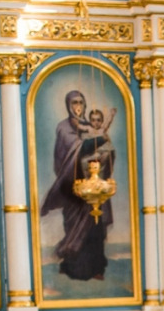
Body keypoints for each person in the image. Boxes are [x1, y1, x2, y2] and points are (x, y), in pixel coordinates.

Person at [39, 90, 116, 282]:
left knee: (95, 229)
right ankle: (73, 267)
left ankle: (96, 268)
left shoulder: (91, 126)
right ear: (68, 105)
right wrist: (97, 141)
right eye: (74, 103)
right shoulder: (63, 128)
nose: (78, 107)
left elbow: (105, 150)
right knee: (73, 227)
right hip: (73, 189)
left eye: (81, 102)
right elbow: (70, 153)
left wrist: (104, 157)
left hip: (94, 187)